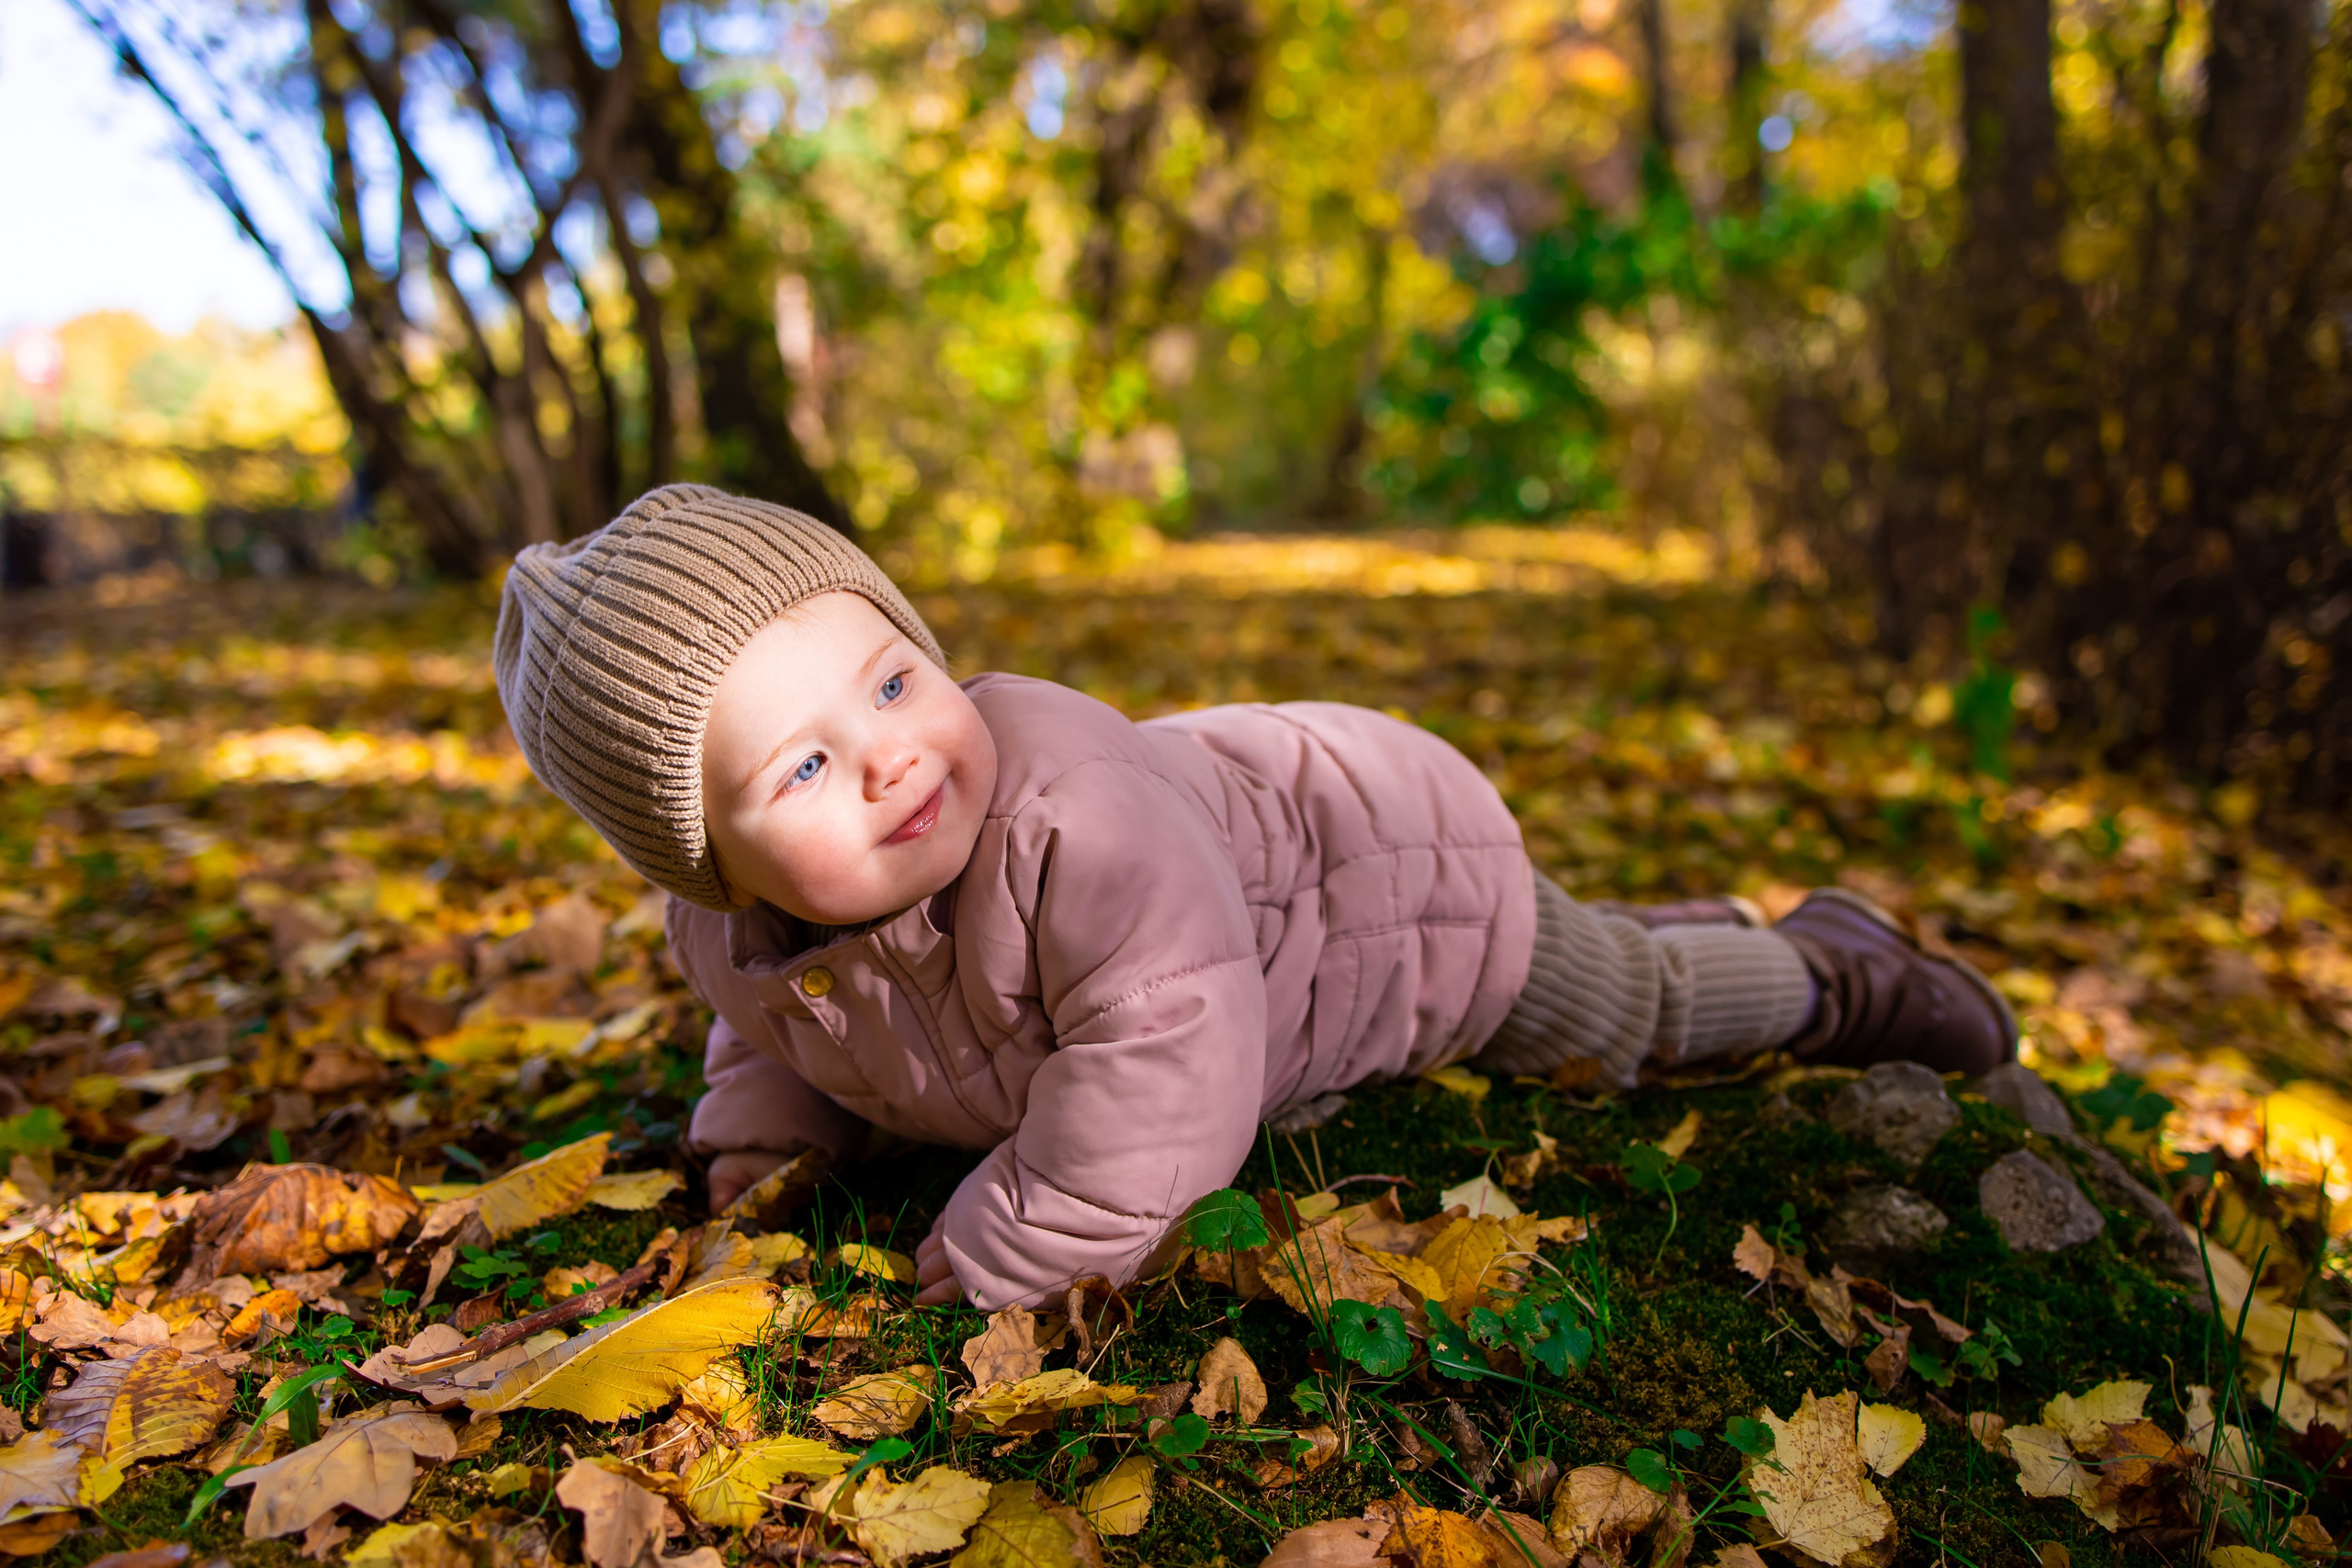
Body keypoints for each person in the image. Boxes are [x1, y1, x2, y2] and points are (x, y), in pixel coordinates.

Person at [493, 485, 2014, 1312]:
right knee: (1619, 963)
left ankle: (1835, 970)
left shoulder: (1071, 824)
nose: (890, 758)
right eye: (806, 767)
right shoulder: (730, 934)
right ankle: (1711, 926)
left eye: (893, 679)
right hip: (1248, 901)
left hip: (1388, 878)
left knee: (1619, 1012)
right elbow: (773, 1031)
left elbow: (1173, 1061)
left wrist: (1034, 1227)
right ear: (712, 864)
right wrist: (762, 1148)